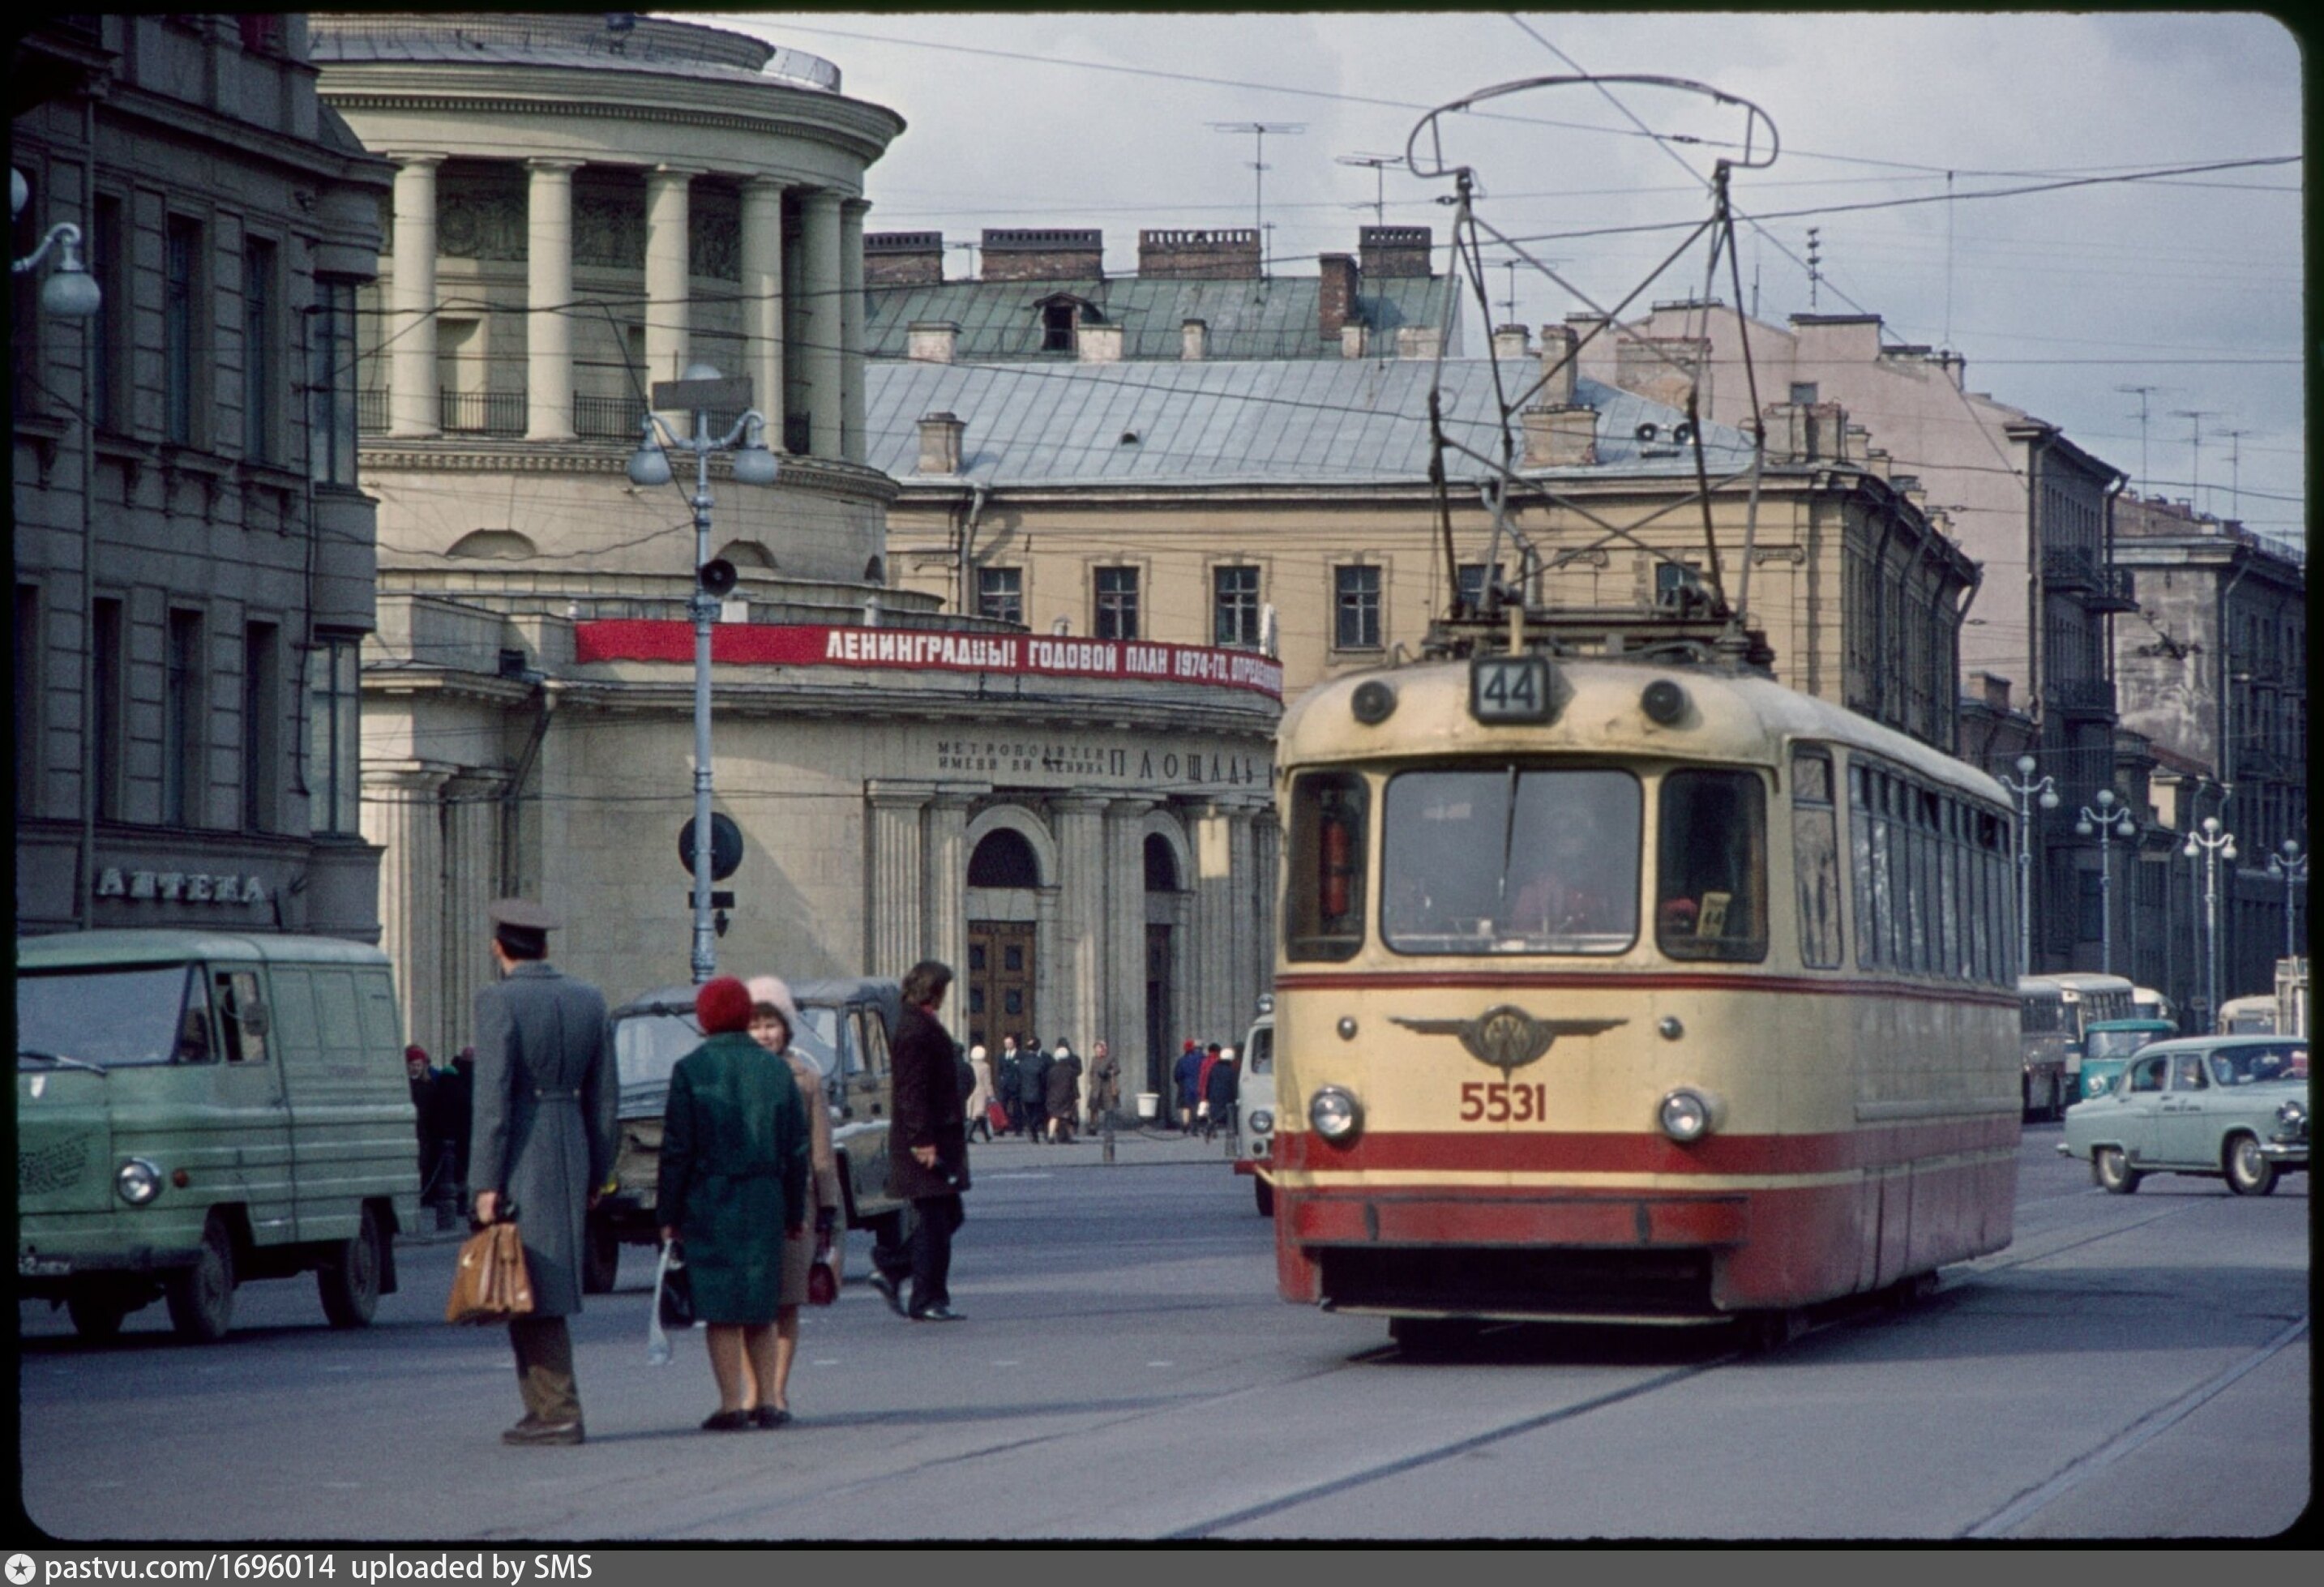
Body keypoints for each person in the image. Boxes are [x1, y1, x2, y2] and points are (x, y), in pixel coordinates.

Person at [470, 897, 618, 1448]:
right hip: (572, 1144)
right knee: (532, 1279)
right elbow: (606, 1099)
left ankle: (557, 1409)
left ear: (498, 948)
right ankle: (540, 1407)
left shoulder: (498, 1001)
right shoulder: (588, 999)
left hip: (523, 1150)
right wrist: (598, 1175)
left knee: (530, 1281)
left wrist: (485, 1183)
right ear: (547, 947)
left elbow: (491, 1102)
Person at [744, 976, 841, 1429]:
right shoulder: (737, 1074)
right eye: (756, 1025)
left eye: (771, 1025)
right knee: (750, 1305)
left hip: (796, 1203)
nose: (765, 1034)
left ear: (786, 1029)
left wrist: (828, 1208)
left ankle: (777, 1390)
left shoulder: (806, 1077)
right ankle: (750, 1391)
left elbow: (821, 1148)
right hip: (749, 1203)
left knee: (786, 1302)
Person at [882, 960, 969, 1322]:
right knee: (938, 1217)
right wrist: (922, 1141)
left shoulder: (919, 1022)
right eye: (943, 989)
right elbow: (911, 1091)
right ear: (932, 989)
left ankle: (893, 1267)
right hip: (925, 1140)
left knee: (947, 1214)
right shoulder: (914, 1029)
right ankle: (926, 1297)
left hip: (935, 1136)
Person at [1044, 1041, 1082, 1144]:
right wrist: (1077, 1096)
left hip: (1053, 1096)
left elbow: (1048, 1084)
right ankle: (1068, 1137)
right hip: (1066, 1096)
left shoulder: (1052, 1070)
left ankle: (1051, 1136)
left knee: (1054, 1116)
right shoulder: (1070, 1070)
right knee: (1067, 1117)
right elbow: (1074, 1085)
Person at [1018, 1035, 1053, 1145]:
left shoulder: (1023, 1062)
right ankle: (1034, 1131)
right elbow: (1045, 1078)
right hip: (1039, 1093)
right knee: (1039, 1114)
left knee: (1030, 1115)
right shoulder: (1040, 1063)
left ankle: (1035, 1135)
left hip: (1025, 1093)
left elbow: (1018, 1078)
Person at [1203, 1045, 1240, 1142]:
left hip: (1214, 1095)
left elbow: (1209, 1082)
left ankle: (1211, 1127)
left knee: (1214, 1113)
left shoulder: (1214, 1068)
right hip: (1227, 1094)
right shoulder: (1231, 1071)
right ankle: (1234, 1129)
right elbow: (1233, 1084)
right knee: (1230, 1113)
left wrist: (1207, 1095)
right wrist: (1236, 1096)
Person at [1085, 1039, 1120, 1131]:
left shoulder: (1110, 1058)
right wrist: (1092, 1080)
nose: (1098, 1052)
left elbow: (1117, 1069)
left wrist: (1109, 1073)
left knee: (1109, 1108)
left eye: (1099, 1049)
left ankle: (1109, 1127)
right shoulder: (1094, 1059)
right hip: (1096, 1087)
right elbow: (1091, 1072)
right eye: (1096, 1050)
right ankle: (1093, 1127)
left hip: (1107, 1086)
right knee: (1093, 1108)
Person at [965, 1043, 995, 1144]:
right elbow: (987, 1082)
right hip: (981, 1092)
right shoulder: (985, 1067)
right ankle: (968, 1135)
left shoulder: (969, 1065)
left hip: (971, 1092)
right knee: (978, 1115)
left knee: (980, 1114)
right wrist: (991, 1095)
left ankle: (987, 1135)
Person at [996, 1036, 1025, 1138]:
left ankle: (1018, 1128)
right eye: (1006, 1043)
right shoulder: (1002, 1056)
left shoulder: (1021, 1055)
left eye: (1010, 1043)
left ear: (1014, 1044)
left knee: (1017, 1107)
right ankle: (1001, 1128)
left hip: (1016, 1086)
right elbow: (1000, 1070)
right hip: (1005, 1086)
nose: (1008, 1045)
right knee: (1002, 1107)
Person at [1173, 1039, 1203, 1130]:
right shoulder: (1203, 1058)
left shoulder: (1182, 1060)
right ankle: (1196, 1123)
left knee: (1186, 1105)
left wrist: (1180, 1082)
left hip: (1186, 1085)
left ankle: (1186, 1123)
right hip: (1200, 1084)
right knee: (1198, 1105)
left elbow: (1177, 1074)